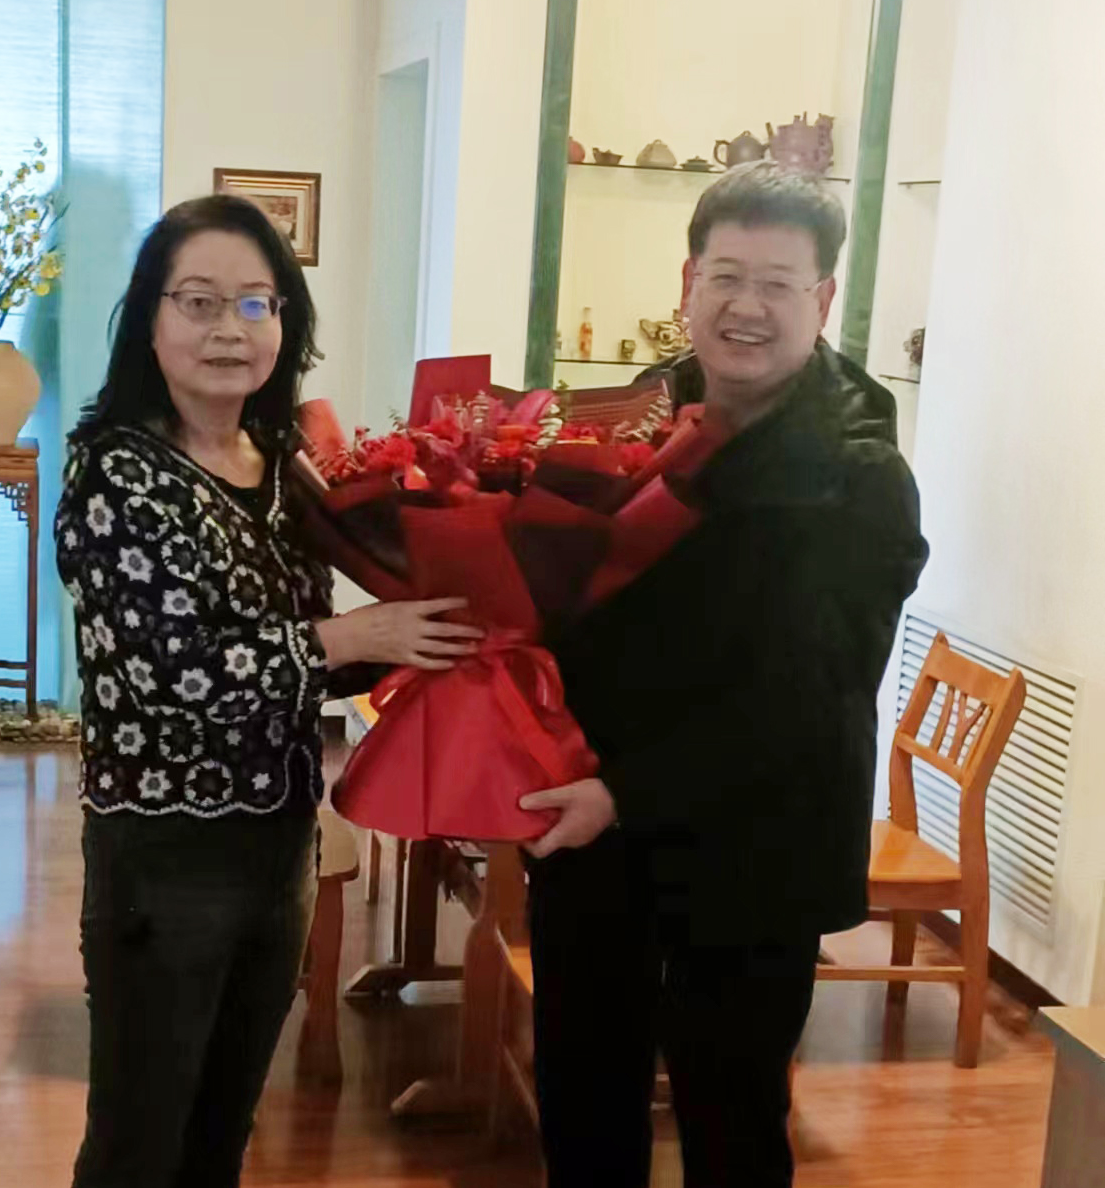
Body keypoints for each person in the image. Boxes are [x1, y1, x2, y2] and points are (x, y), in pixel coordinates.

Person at [55, 194, 481, 1188]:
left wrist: (429, 635)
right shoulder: (117, 473)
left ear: (285, 321)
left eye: (256, 303)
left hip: (279, 844)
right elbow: (175, 675)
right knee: (138, 1141)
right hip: (165, 855)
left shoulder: (285, 463)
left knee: (224, 1126)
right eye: (198, 301)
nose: (228, 329)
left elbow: (302, 663)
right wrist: (355, 635)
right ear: (149, 317)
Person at [518, 162, 930, 1188]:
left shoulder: (860, 472)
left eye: (778, 284)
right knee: (582, 1103)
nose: (747, 307)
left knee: (732, 1118)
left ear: (821, 300)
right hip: (596, 838)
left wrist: (623, 790)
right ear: (687, 282)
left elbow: (808, 696)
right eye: (726, 276)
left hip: (756, 847)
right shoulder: (627, 419)